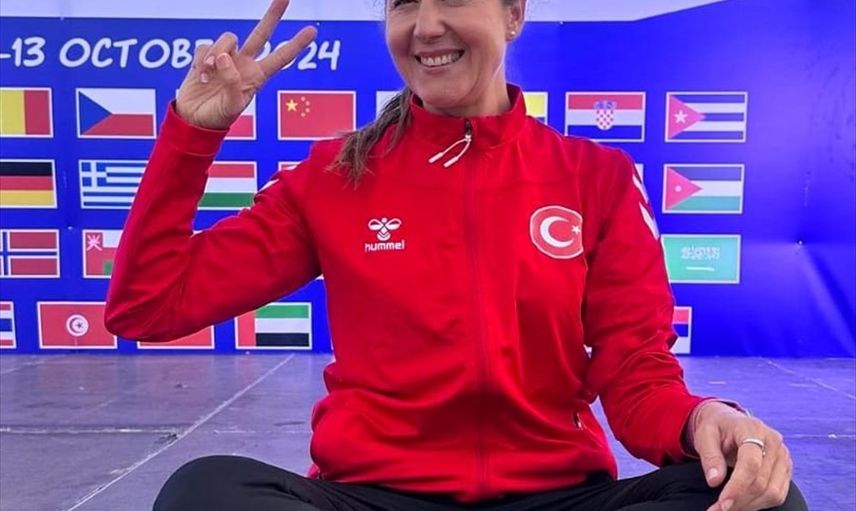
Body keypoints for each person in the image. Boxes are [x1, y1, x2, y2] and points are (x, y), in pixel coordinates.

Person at [104, 1, 809, 510]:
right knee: (204, 492)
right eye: (404, 3)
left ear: (513, 14)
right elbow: (148, 304)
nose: (426, 25)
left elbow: (635, 375)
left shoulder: (595, 178)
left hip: (556, 496)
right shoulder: (335, 177)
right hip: (373, 495)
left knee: (756, 494)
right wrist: (193, 133)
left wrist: (703, 418)